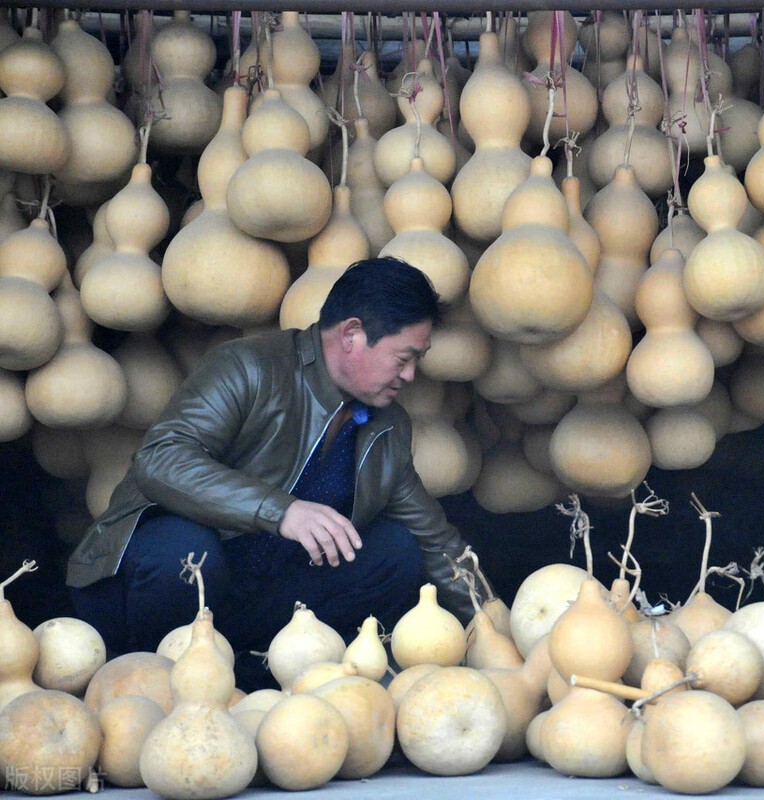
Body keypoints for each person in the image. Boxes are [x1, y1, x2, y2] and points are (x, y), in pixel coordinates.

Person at [66, 257, 474, 687]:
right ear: (352, 334)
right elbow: (161, 458)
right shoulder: (249, 367)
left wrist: (491, 625)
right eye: (403, 358)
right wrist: (282, 511)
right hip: (155, 588)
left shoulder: (387, 425)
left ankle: (256, 680)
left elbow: (435, 542)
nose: (410, 375)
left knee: (396, 551)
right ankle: (147, 677)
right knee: (185, 548)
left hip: (255, 599)